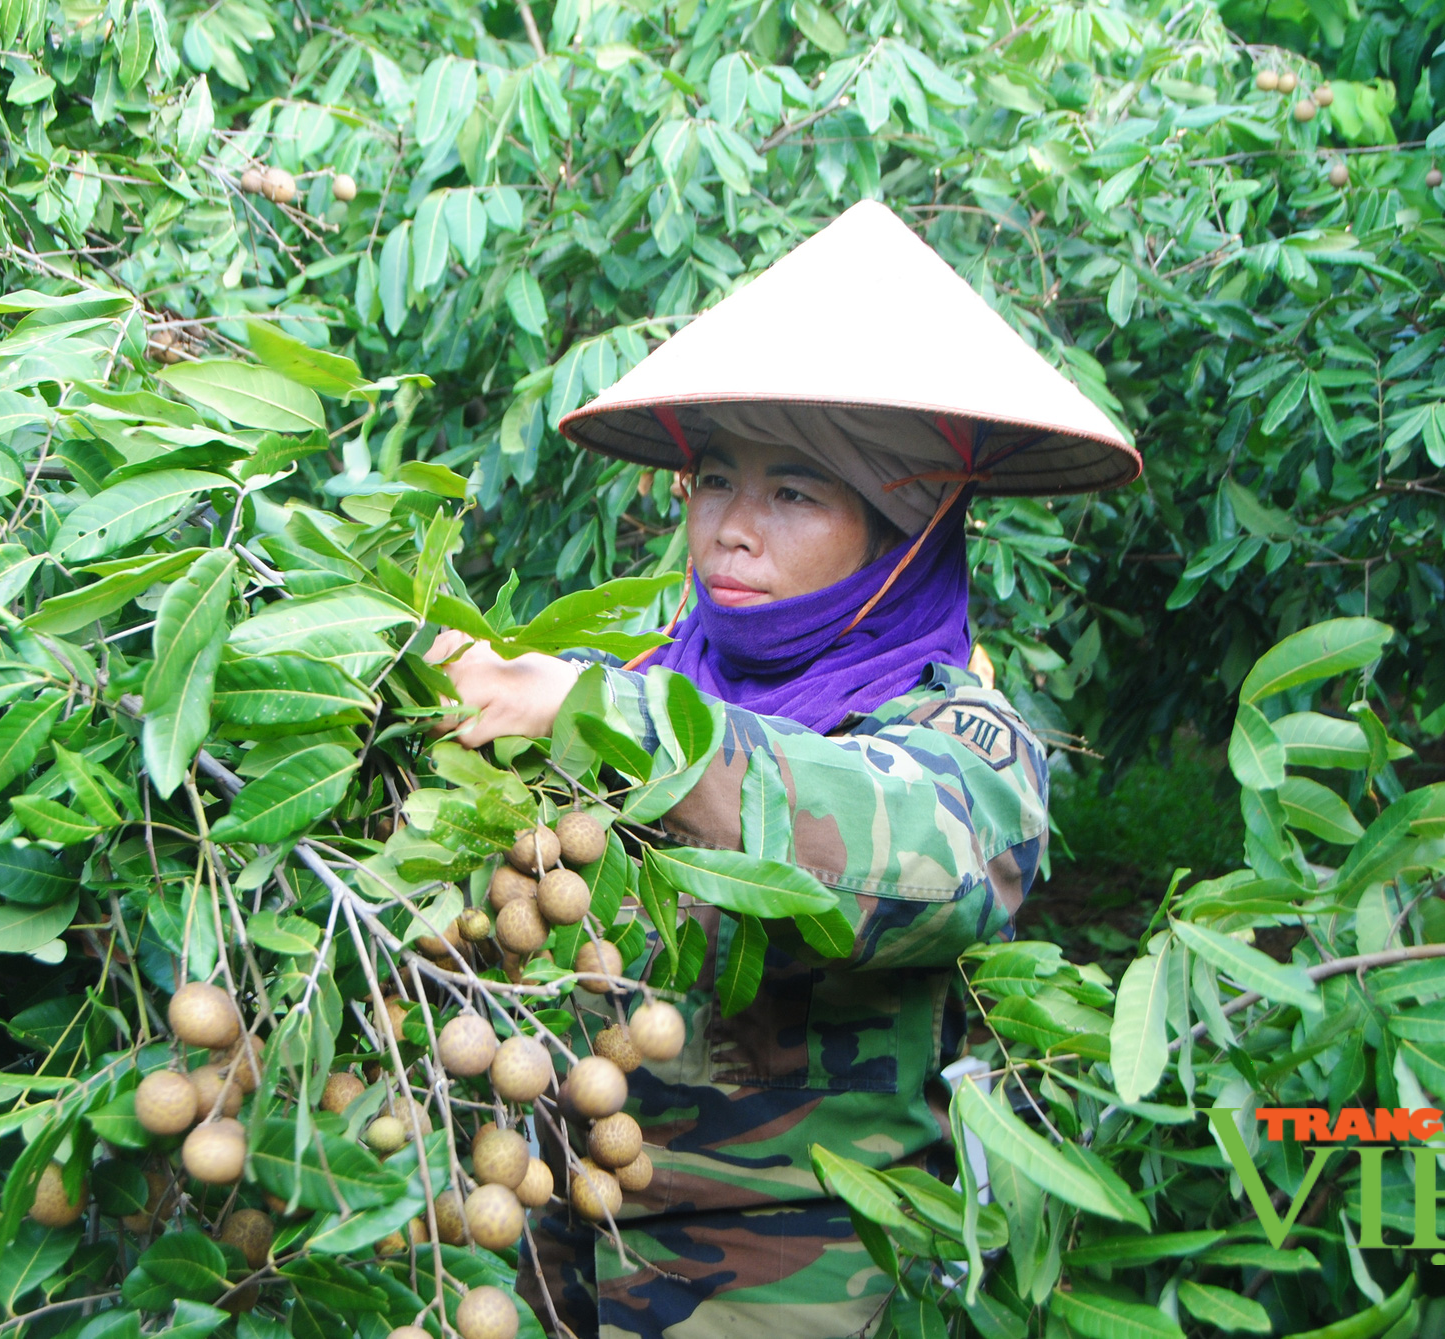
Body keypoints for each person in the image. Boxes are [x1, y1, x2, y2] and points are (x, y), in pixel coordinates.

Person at [432, 201, 1137, 1339]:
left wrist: (590, 716)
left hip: (786, 1273)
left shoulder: (966, 744)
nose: (730, 530)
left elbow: (888, 863)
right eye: (714, 480)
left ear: (904, 529)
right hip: (541, 1224)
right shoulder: (638, 671)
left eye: (793, 491)